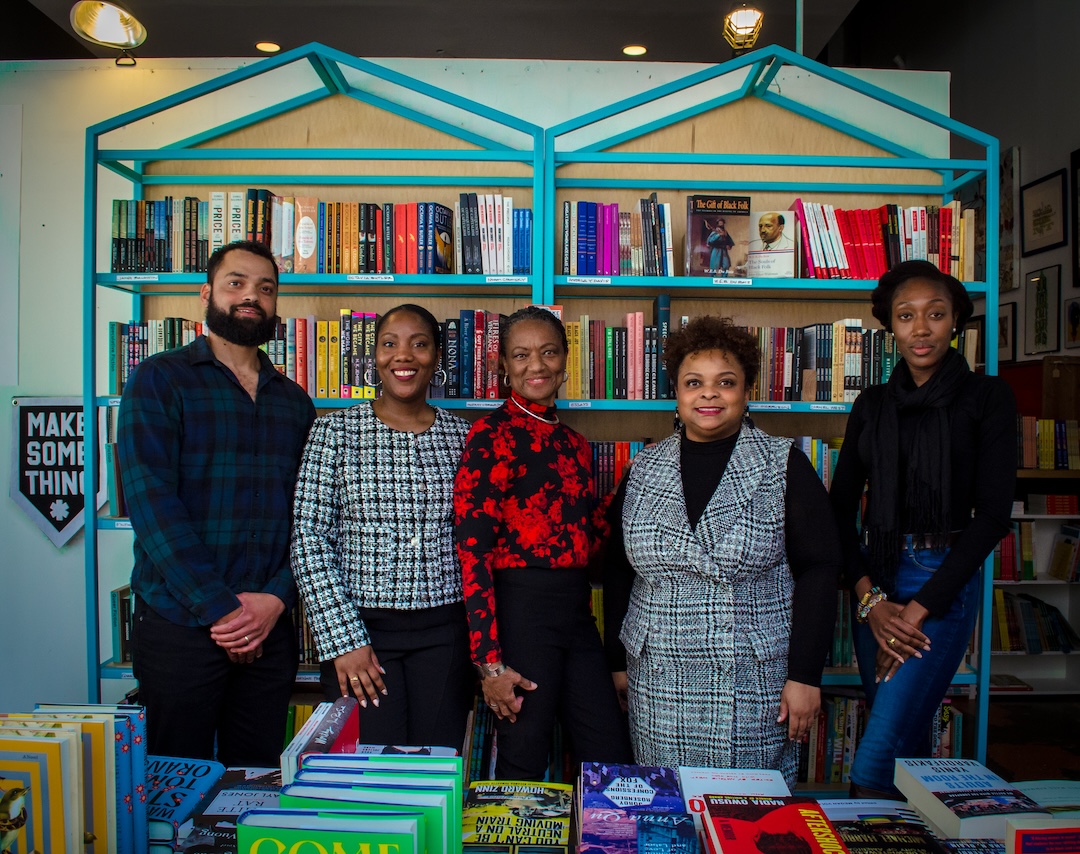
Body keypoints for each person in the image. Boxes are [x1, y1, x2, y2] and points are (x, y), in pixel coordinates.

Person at [603, 316, 841, 789]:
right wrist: (615, 661)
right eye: (694, 383)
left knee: (747, 816)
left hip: (751, 682)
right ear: (677, 393)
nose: (708, 394)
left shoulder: (782, 462)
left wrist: (805, 676)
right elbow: (617, 569)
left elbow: (820, 568)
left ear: (747, 391)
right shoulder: (645, 465)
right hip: (657, 678)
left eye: (725, 383)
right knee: (667, 811)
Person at [118, 239, 316, 766]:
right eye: (237, 283)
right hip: (182, 626)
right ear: (206, 293)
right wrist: (224, 611)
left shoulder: (293, 401)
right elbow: (151, 504)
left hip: (270, 628)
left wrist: (276, 599)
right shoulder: (159, 380)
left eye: (266, 288)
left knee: (254, 784)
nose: (252, 296)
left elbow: (308, 515)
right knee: (172, 784)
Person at [829, 260, 1016, 798]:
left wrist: (918, 609)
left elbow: (994, 517)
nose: (921, 328)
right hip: (877, 577)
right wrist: (870, 599)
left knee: (874, 756)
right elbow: (841, 509)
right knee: (904, 741)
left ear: (956, 320)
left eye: (935, 314)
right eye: (906, 316)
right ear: (890, 325)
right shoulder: (872, 404)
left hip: (944, 581)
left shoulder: (987, 397)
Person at [454, 305, 633, 780]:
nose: (536, 365)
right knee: (524, 753)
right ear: (503, 366)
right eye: (521, 355)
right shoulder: (490, 436)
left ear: (566, 359)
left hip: (576, 612)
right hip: (521, 613)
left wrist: (636, 481)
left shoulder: (574, 443)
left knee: (609, 750)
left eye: (548, 352)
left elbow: (591, 538)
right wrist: (489, 663)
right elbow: (472, 553)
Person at [291, 304, 474, 751]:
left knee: (437, 769)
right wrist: (344, 641)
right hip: (363, 633)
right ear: (373, 357)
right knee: (370, 773)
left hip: (445, 636)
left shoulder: (465, 437)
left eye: (419, 344)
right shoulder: (334, 432)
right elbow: (308, 537)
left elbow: (477, 541)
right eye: (390, 344)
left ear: (437, 357)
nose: (403, 356)